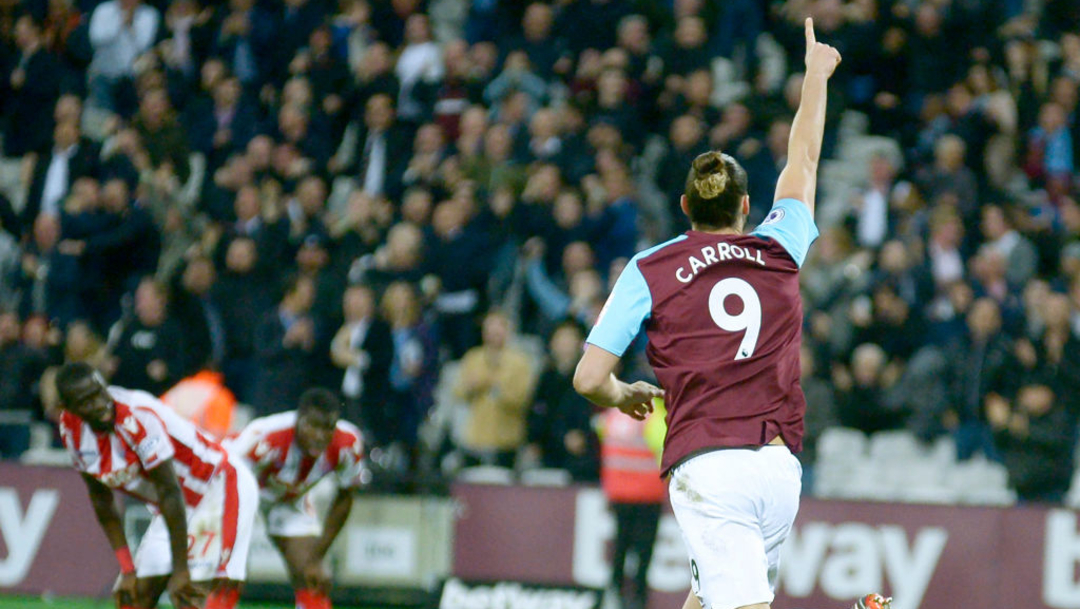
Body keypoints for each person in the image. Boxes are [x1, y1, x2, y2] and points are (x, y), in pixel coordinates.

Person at [573, 20, 890, 609]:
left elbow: (588, 378)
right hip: (778, 469)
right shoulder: (780, 246)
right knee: (706, 597)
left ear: (686, 206)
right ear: (748, 206)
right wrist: (815, 76)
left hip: (710, 464)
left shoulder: (651, 267)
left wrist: (625, 395)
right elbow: (806, 158)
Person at [55, 361, 257, 609]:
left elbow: (169, 490)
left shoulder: (137, 413)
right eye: (86, 401)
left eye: (100, 392)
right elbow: (101, 499)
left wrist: (181, 570)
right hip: (175, 504)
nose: (100, 404)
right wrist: (127, 569)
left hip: (216, 488)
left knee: (191, 598)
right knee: (133, 600)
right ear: (68, 408)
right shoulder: (70, 430)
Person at [225, 388, 366, 609]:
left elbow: (346, 495)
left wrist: (318, 557)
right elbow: (227, 484)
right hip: (239, 495)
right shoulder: (264, 436)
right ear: (298, 420)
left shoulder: (348, 444)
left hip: (289, 499)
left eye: (327, 427)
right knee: (227, 572)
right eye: (313, 426)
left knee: (311, 576)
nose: (320, 436)